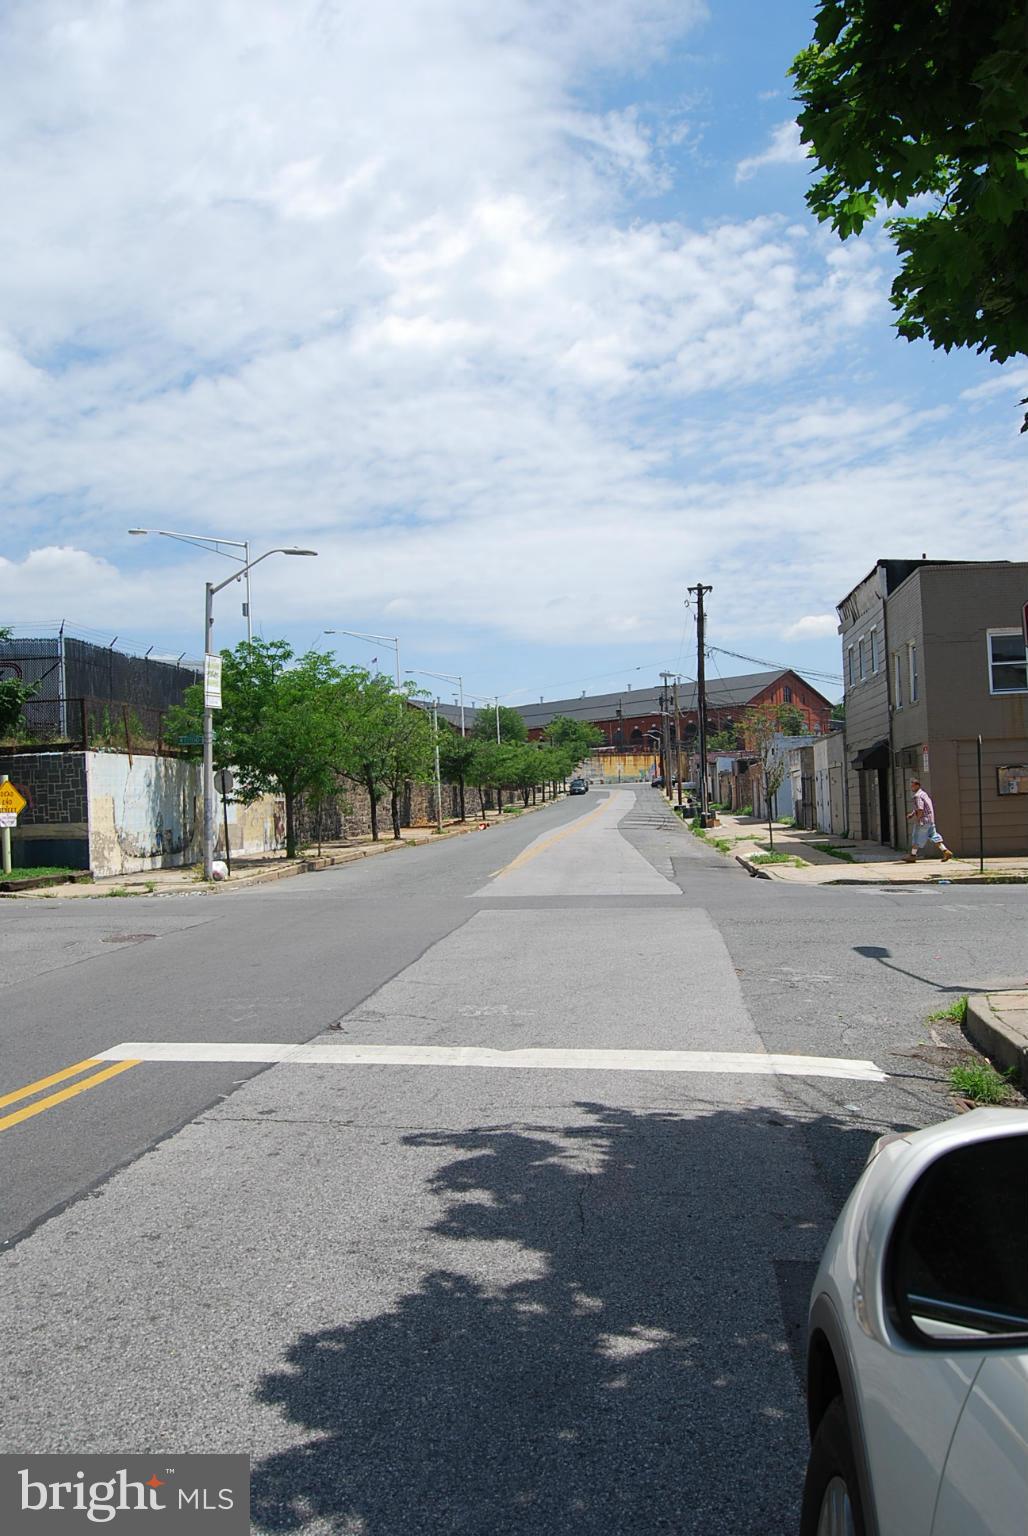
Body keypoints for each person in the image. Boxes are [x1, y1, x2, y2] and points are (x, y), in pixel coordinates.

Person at [905, 777, 953, 862]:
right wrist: (912, 814)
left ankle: (912, 856)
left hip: (923, 821)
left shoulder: (918, 796)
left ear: (917, 786)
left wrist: (918, 819)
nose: (911, 788)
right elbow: (920, 807)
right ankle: (946, 851)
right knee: (934, 836)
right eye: (911, 786)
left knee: (916, 837)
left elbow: (920, 809)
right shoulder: (924, 794)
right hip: (930, 821)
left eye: (913, 786)